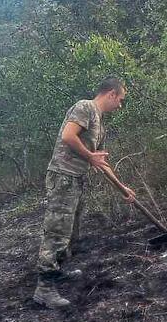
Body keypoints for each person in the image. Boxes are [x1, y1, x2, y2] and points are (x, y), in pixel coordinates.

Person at [33, 77, 136, 309]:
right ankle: (44, 288)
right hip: (63, 176)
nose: (120, 105)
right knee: (57, 231)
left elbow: (100, 161)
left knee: (71, 231)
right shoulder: (85, 107)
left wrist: (122, 188)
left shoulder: (100, 123)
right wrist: (89, 157)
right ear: (111, 93)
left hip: (76, 179)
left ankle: (59, 270)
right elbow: (68, 136)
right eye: (120, 100)